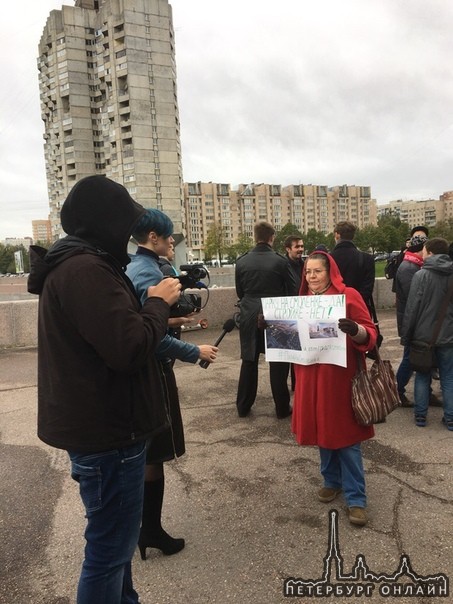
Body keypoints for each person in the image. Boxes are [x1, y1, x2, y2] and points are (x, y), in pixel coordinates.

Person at [27, 175, 182, 604]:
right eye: (123, 221)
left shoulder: (81, 264)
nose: (128, 234)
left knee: (115, 549)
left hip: (105, 427)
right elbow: (128, 347)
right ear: (105, 222)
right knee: (107, 553)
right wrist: (157, 301)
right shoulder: (86, 270)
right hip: (109, 434)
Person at [126, 208, 218, 560]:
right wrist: (195, 351)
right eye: (168, 239)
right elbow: (151, 335)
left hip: (145, 370)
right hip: (155, 370)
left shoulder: (134, 267)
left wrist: (180, 317)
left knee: (149, 455)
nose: (170, 244)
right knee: (155, 454)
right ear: (153, 238)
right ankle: (150, 530)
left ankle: (146, 529)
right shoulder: (149, 271)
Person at [292, 252, 377, 527]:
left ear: (330, 272)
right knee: (321, 429)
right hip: (310, 376)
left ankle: (356, 498)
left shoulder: (349, 295)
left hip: (340, 378)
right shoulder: (302, 300)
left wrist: (356, 331)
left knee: (346, 435)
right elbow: (291, 335)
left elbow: (370, 333)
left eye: (317, 271)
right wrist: (270, 326)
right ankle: (331, 479)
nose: (312, 276)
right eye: (308, 272)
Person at [235, 221, 296, 418]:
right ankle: (281, 408)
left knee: (249, 360)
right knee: (278, 362)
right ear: (272, 238)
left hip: (249, 312)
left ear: (255, 236)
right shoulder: (281, 261)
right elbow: (291, 290)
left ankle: (243, 406)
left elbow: (240, 291)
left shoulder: (242, 261)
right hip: (277, 312)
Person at [401, 237, 453, 430]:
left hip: (423, 336)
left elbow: (412, 308)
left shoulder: (421, 276)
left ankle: (421, 416)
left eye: (423, 249)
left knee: (422, 375)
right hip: (448, 336)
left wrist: (406, 335)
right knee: (448, 377)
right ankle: (450, 418)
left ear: (430, 252)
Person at [394, 230, 429, 405]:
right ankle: (397, 390)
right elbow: (413, 299)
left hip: (410, 320)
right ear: (420, 249)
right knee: (409, 357)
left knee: (412, 356)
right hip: (411, 321)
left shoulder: (412, 265)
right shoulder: (409, 268)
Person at [330, 221, 375, 312]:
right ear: (353, 236)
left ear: (337, 235)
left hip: (334, 310)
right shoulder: (367, 258)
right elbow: (367, 289)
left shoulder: (327, 259)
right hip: (359, 308)